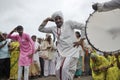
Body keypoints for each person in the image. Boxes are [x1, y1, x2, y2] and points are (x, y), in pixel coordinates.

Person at [38, 11, 85, 80]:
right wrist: (46, 20)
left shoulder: (69, 23)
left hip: (72, 51)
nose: (58, 20)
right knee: (58, 71)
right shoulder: (53, 28)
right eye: (56, 19)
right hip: (62, 54)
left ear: (62, 18)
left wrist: (81, 40)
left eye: (59, 18)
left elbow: (83, 26)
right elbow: (40, 29)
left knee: (64, 68)